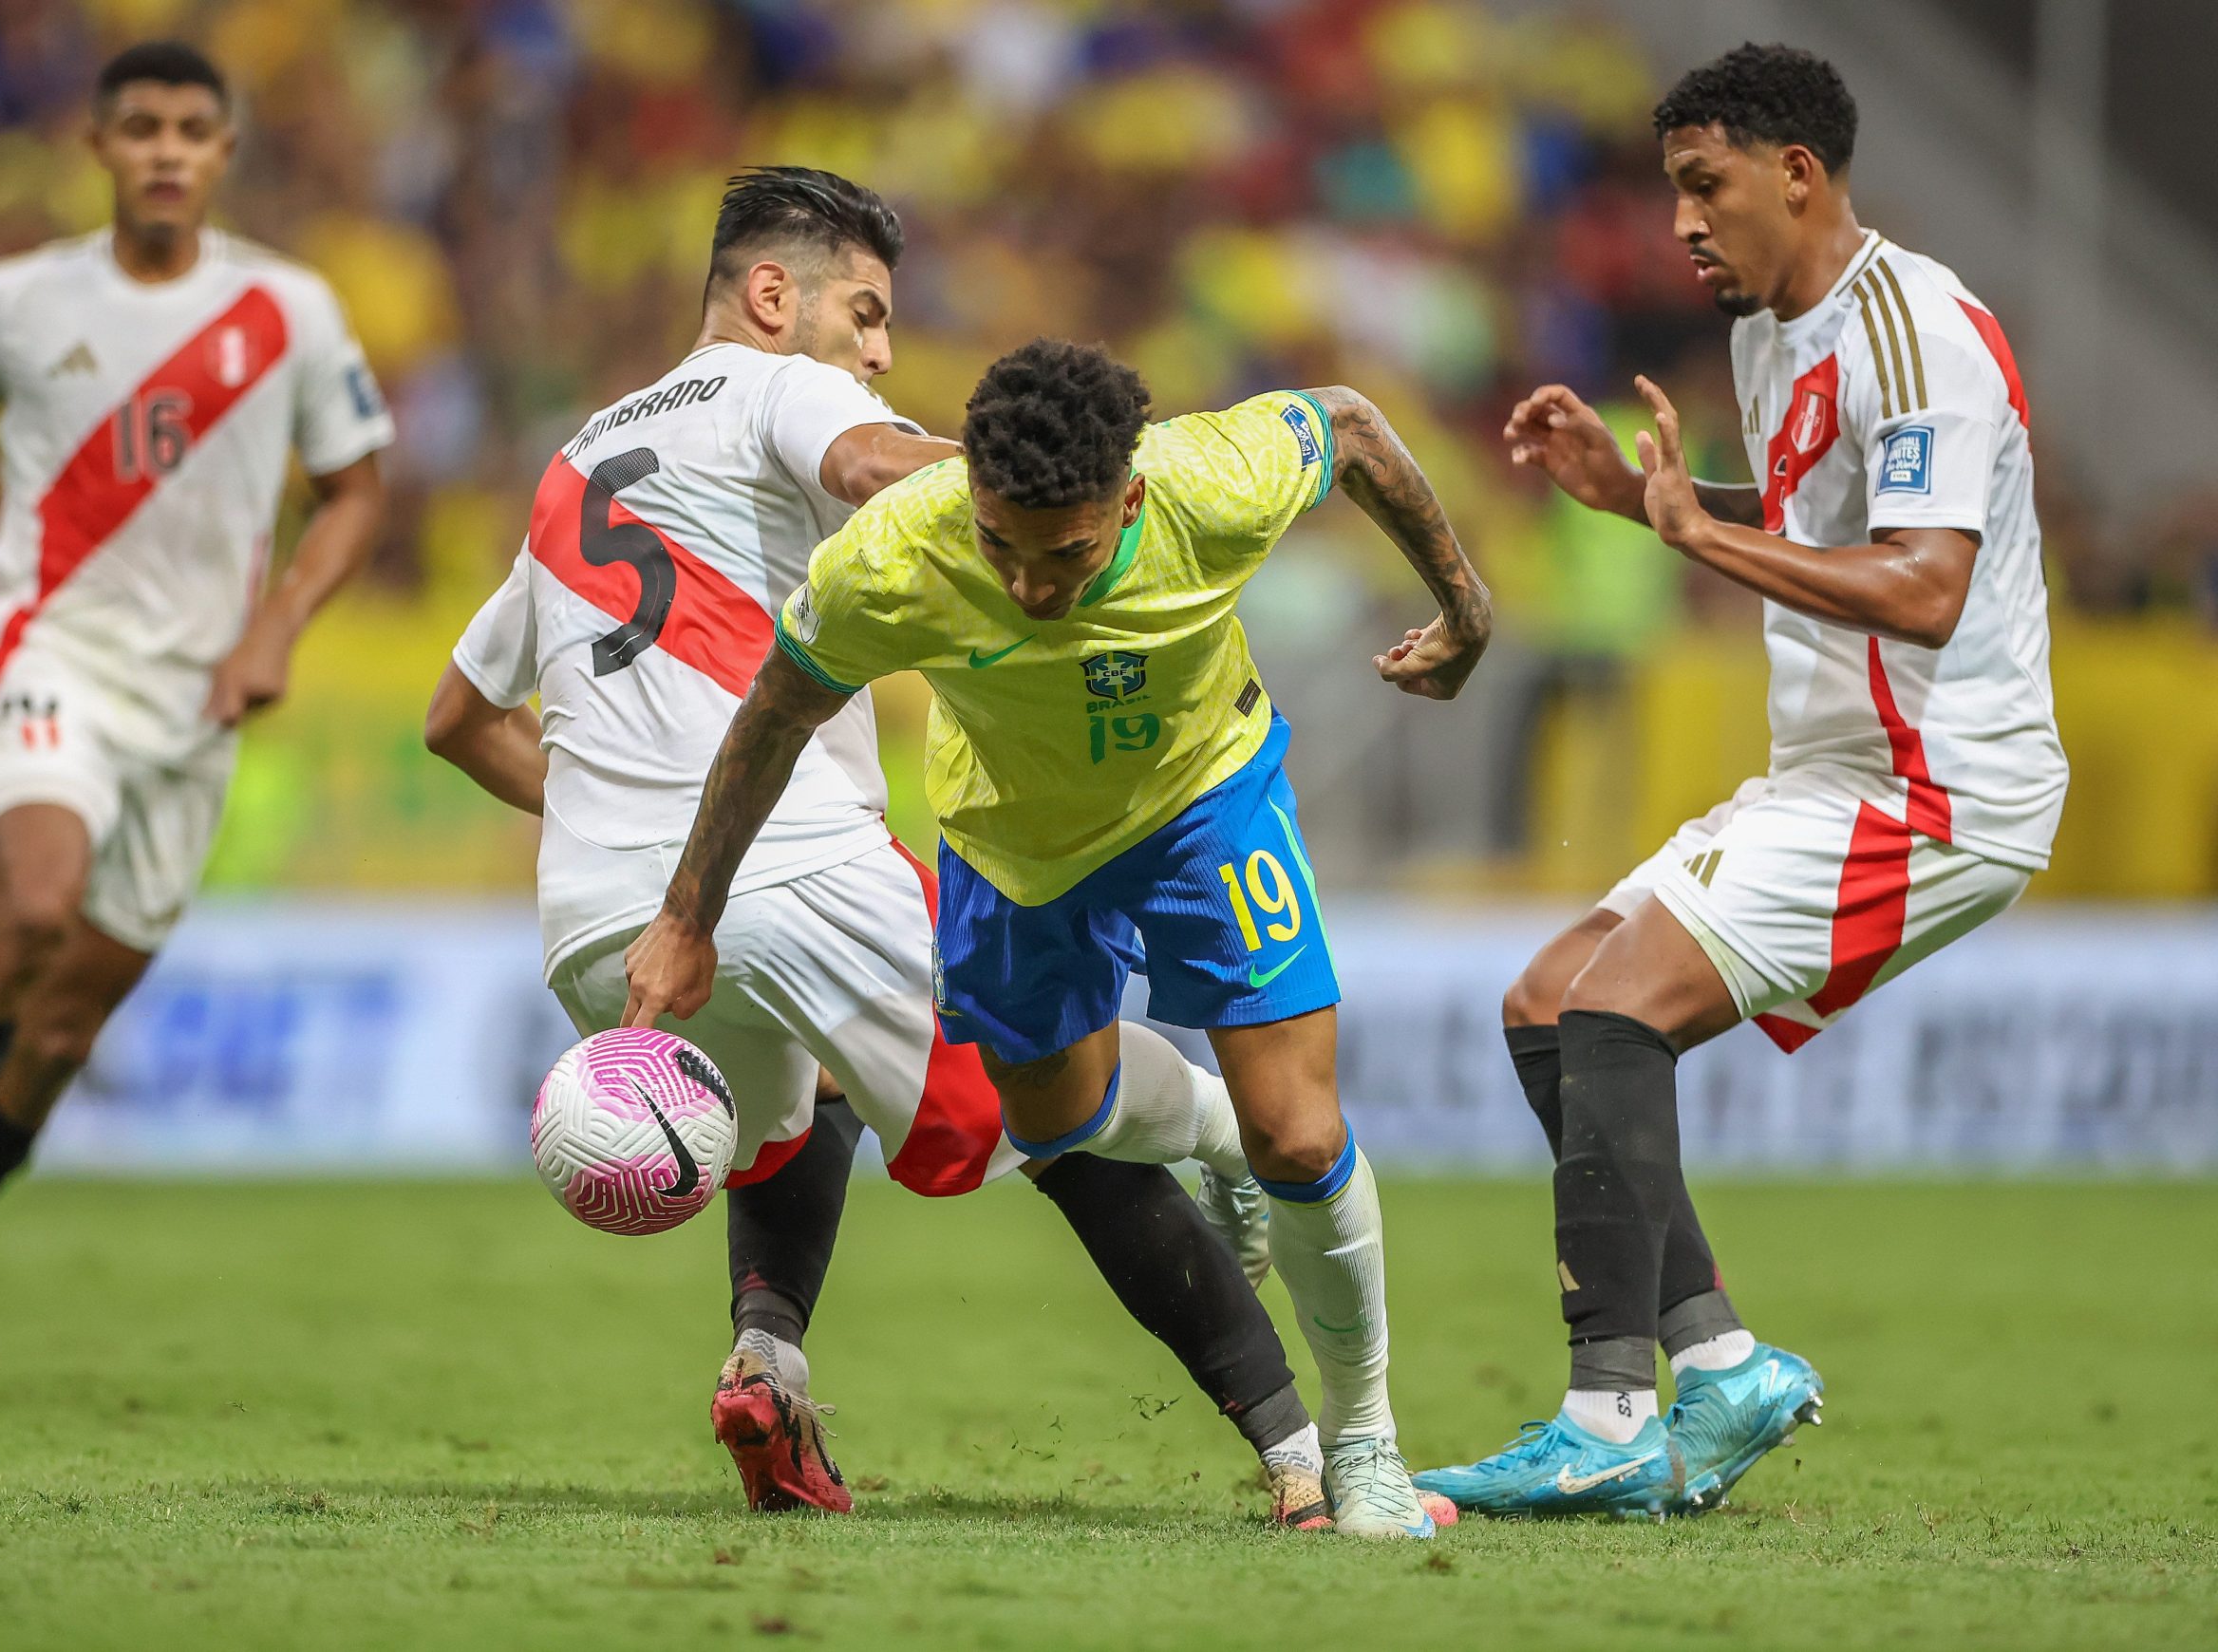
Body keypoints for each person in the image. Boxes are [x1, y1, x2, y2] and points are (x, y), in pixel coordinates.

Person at [424, 168, 1347, 1529]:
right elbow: (869, 467)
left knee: (791, 1109)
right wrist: (1068, 489)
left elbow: (456, 719)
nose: (879, 353)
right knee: (1061, 1106)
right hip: (795, 867)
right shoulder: (777, 386)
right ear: (771, 294)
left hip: (601, 924)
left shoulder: (576, 461)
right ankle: (1294, 1436)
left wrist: (620, 842)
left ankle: (768, 1360)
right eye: (865, 313)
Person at [620, 337, 1494, 1537]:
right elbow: (774, 710)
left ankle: (1366, 1449)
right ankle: (1217, 1134)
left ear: (1127, 500)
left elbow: (1348, 424)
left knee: (1306, 1133)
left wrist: (1465, 606)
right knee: (1054, 1124)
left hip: (1206, 801)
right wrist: (685, 916)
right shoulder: (889, 554)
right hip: (1009, 844)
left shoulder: (1209, 481)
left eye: (1067, 555)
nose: (1030, 587)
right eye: (1001, 547)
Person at [1421, 43, 2066, 1518]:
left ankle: (1605, 1419)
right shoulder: (1775, 325)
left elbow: (1920, 587)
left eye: (1705, 189)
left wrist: (1697, 543)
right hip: (1836, 770)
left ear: (1800, 174)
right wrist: (1649, 505)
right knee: (1547, 1005)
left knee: (1610, 1004)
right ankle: (1716, 1368)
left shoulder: (1919, 335)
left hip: (1935, 789)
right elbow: (1814, 517)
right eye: (1671, 195)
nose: (1682, 227)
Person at [0, 41, 392, 1393]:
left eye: (192, 128)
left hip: (197, 703)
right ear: (97, 144)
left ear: (225, 149)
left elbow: (358, 488)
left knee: (68, 1028)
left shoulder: (290, 309)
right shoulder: (19, 302)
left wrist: (274, 631)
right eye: (140, 126)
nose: (165, 150)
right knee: (34, 908)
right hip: (51, 653)